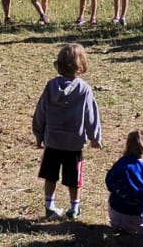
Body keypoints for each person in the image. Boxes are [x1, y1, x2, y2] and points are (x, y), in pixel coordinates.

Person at [32, 42, 102, 220]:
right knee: (74, 177)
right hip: (74, 142)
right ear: (82, 65)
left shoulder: (51, 86)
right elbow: (91, 114)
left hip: (53, 140)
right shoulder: (83, 89)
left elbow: (41, 110)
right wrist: (95, 137)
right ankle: (74, 208)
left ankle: (49, 206)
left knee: (50, 175)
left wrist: (38, 133)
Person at [105, 130, 143, 238]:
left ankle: (122, 226)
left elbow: (109, 185)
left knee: (114, 192)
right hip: (141, 219)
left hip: (117, 215)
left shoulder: (121, 164)